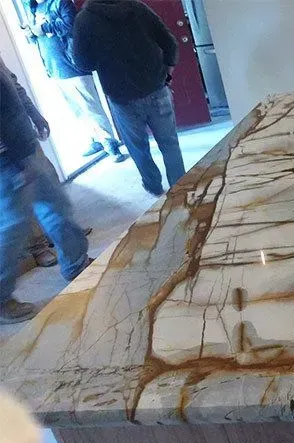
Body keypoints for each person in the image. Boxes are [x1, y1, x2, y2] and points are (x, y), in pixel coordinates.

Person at [0, 56, 91, 324]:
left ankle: (76, 263)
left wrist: (34, 115)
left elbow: (12, 87)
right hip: (5, 159)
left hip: (23, 147)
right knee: (13, 228)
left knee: (57, 205)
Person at [72, 0, 185, 196]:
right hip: (156, 87)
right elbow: (169, 43)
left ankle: (153, 186)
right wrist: (168, 71)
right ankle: (182, 187)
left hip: (121, 96)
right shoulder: (137, 7)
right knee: (169, 143)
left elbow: (83, 63)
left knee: (138, 148)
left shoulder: (85, 19)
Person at [25, 0, 126, 163]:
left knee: (91, 106)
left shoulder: (60, 2)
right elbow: (37, 38)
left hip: (72, 65)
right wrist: (31, 33)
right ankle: (96, 140)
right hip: (54, 68)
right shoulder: (33, 9)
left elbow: (71, 25)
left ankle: (111, 144)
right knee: (78, 110)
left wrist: (43, 28)